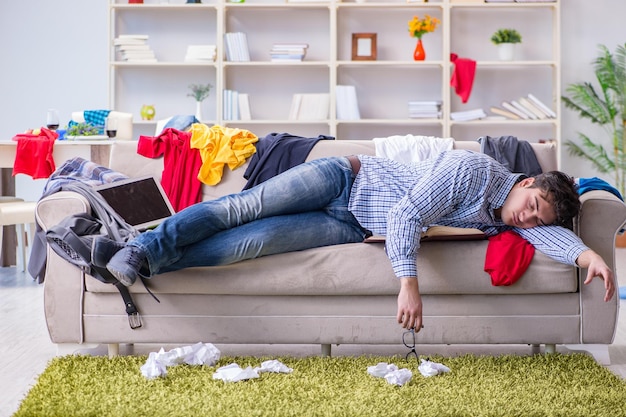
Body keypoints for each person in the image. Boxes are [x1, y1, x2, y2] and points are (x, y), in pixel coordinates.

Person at [99, 150, 616, 331]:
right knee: (241, 208)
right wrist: (407, 284)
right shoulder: (474, 171)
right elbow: (410, 215)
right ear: (526, 183)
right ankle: (141, 247)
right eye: (531, 207)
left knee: (247, 245)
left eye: (534, 220)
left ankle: (141, 264)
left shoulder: (508, 217)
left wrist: (590, 253)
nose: (527, 221)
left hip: (350, 226)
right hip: (344, 179)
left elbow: (549, 235)